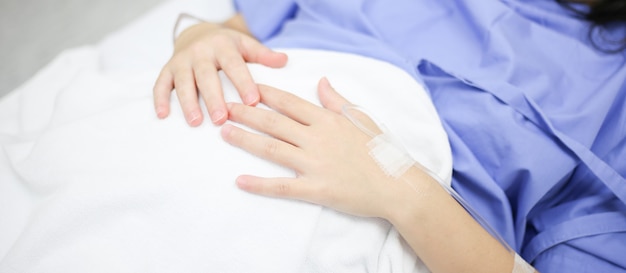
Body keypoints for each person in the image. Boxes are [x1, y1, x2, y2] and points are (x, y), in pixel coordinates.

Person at [153, 0, 626, 272]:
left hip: (352, 216)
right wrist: (198, 41)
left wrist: (400, 186)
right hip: (192, 114)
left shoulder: (611, 108)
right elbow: (237, 26)